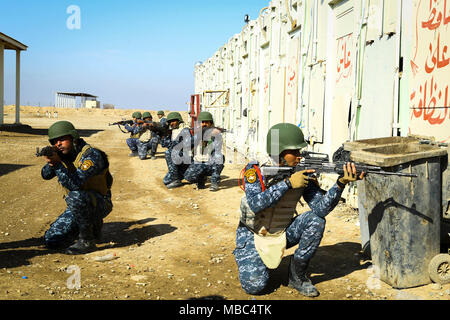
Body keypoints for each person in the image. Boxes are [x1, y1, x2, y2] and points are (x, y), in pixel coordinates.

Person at [233, 123, 365, 297]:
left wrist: (341, 183)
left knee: (316, 220)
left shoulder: (302, 174)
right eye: (293, 152)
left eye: (299, 152)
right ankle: (250, 256)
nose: (298, 157)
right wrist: (287, 184)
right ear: (278, 152)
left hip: (281, 231)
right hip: (253, 234)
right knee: (255, 287)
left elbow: (320, 209)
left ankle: (297, 276)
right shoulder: (255, 171)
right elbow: (256, 203)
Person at [41, 121, 113, 254]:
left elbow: (75, 184)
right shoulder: (64, 155)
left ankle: (87, 240)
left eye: (62, 139)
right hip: (81, 205)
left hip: (100, 203)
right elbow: (45, 175)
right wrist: (51, 162)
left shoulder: (91, 155)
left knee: (75, 195)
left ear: (73, 138)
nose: (58, 144)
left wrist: (57, 164)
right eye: (54, 141)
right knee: (52, 240)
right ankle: (91, 226)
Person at [184, 111, 224, 191]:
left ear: (211, 123)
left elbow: (216, 149)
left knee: (219, 156)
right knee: (189, 177)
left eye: (206, 122)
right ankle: (200, 179)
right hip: (197, 163)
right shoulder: (195, 133)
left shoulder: (216, 134)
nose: (204, 124)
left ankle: (214, 182)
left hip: (209, 163)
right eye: (202, 122)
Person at [163, 112, 193, 189]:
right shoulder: (173, 131)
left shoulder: (185, 130)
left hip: (187, 158)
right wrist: (165, 133)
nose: (172, 123)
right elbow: (164, 144)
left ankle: (176, 180)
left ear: (179, 120)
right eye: (170, 122)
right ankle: (178, 176)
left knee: (169, 152)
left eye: (173, 121)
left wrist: (172, 145)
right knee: (166, 180)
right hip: (179, 158)